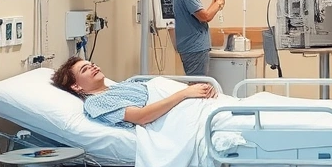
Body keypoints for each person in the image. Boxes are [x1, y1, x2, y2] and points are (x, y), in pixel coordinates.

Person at [52, 56, 217, 127]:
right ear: (76, 86)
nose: (93, 67)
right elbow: (141, 116)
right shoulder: (95, 102)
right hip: (177, 111)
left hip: (187, 102)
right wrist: (184, 94)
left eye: (92, 64)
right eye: (85, 69)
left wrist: (195, 91)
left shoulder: (119, 85)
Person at [172, 0, 224, 76]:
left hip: (194, 48)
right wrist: (219, 3)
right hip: (194, 49)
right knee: (198, 85)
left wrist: (214, 1)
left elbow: (202, 14)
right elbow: (205, 17)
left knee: (198, 84)